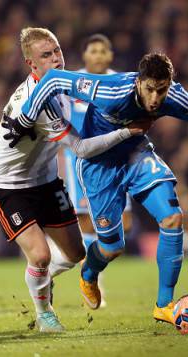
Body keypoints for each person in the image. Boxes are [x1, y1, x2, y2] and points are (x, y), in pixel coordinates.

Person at [3, 52, 188, 324]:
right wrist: (24, 120)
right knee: (112, 247)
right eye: (150, 89)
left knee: (173, 217)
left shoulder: (173, 97)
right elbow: (52, 80)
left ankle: (164, 305)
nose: (156, 98)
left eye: (162, 90)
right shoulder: (109, 89)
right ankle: (89, 273)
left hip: (136, 155)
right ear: (139, 82)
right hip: (98, 166)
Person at [0, 27, 150, 332]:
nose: (56, 59)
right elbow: (82, 149)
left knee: (76, 254)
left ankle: (41, 281)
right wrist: (129, 131)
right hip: (8, 185)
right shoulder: (37, 102)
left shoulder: (61, 83)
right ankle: (44, 313)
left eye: (57, 50)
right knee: (41, 255)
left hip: (46, 181)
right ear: (32, 65)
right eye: (46, 55)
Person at [61, 34, 132, 307]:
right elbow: (60, 119)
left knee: (124, 225)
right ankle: (92, 279)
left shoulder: (122, 81)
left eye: (104, 50)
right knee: (87, 221)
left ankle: (89, 268)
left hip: (116, 160)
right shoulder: (73, 83)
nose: (99, 55)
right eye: (94, 50)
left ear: (111, 56)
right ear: (85, 55)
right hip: (82, 162)